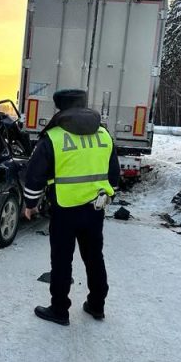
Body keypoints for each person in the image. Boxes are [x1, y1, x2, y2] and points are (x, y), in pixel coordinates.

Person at [23, 89, 120, 325]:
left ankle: (59, 310)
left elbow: (34, 176)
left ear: (60, 109)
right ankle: (97, 306)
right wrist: (107, 197)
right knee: (94, 257)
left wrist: (30, 204)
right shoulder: (104, 135)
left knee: (62, 260)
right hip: (95, 209)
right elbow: (114, 176)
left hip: (65, 209)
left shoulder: (54, 137)